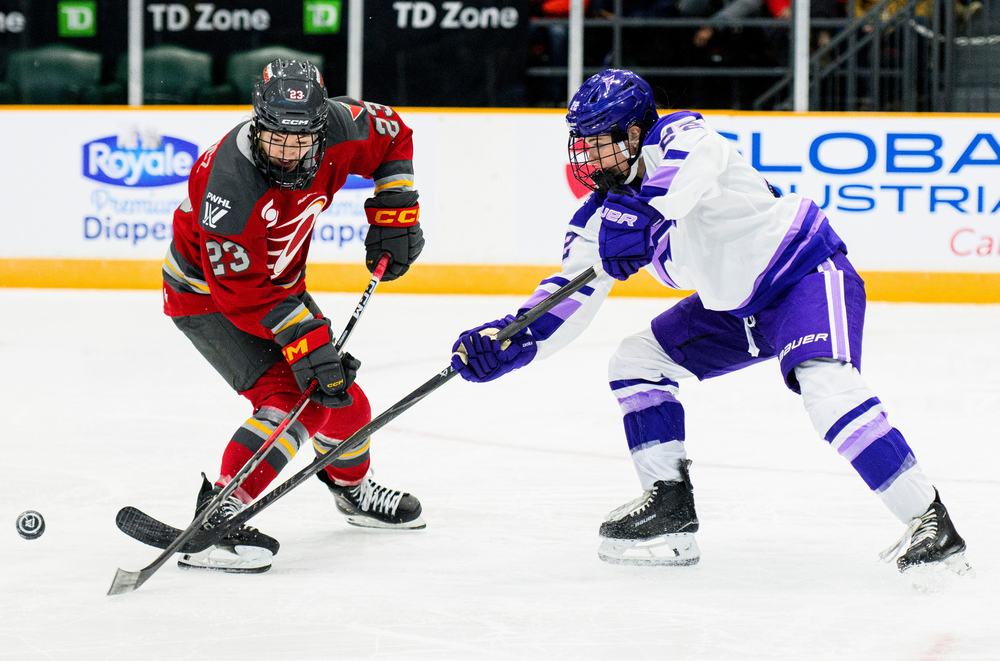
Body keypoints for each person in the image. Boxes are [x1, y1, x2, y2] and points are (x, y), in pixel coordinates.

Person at [450, 69, 972, 576]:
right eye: (581, 143)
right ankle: (669, 507)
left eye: (599, 141)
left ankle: (930, 522)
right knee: (635, 363)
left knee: (827, 390)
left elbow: (682, 177)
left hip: (804, 275)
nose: (587, 156)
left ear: (634, 133)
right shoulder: (597, 220)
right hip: (737, 311)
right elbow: (570, 295)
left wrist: (642, 216)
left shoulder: (682, 136)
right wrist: (511, 340)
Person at [161, 59, 426, 573]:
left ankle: (352, 491)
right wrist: (306, 337)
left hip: (278, 288)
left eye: (301, 141)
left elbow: (394, 135)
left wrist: (395, 213)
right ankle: (220, 514)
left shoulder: (340, 126)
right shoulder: (226, 185)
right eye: (276, 139)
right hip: (208, 298)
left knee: (339, 396)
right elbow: (239, 292)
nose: (288, 154)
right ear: (258, 123)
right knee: (294, 399)